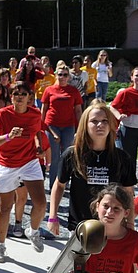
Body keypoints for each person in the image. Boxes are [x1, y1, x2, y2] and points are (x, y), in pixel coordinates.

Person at [49, 100, 136, 237]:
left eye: (105, 121)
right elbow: (59, 185)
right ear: (85, 125)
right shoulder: (72, 154)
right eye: (94, 121)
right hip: (80, 224)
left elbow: (129, 192)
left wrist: (130, 223)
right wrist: (53, 217)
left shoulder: (122, 157)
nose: (100, 125)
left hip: (112, 226)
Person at [0, 81, 46, 262]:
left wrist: (39, 147)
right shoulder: (2, 114)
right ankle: (1, 245)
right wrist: (8, 136)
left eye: (23, 94)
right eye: (15, 94)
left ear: (29, 97)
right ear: (11, 96)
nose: (19, 97)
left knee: (41, 203)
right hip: (7, 163)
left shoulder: (35, 114)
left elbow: (37, 132)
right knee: (5, 207)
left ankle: (33, 231)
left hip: (29, 161)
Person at [41, 62, 83, 190]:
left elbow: (78, 110)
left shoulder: (73, 91)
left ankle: (64, 181)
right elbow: (44, 108)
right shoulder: (49, 90)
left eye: (65, 75)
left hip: (68, 126)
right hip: (52, 125)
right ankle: (54, 184)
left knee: (67, 154)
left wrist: (80, 127)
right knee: (54, 156)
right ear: (56, 75)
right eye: (60, 74)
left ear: (69, 77)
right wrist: (41, 126)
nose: (63, 77)